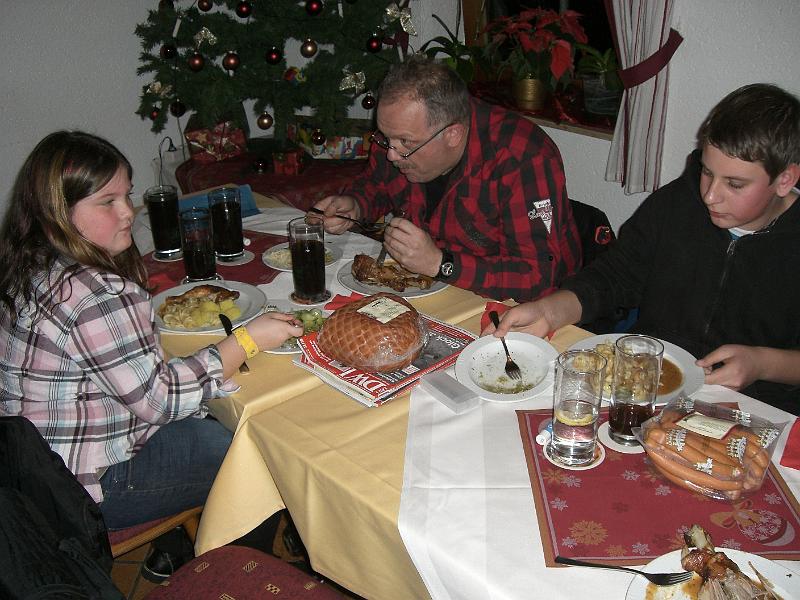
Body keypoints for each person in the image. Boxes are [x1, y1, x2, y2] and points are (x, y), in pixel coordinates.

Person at [0, 130, 304, 579]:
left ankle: (175, 547)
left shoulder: (29, 262)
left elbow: (131, 378)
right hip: (87, 488)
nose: (128, 211)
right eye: (108, 202)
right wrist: (245, 340)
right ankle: (240, 574)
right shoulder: (93, 294)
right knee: (251, 452)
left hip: (32, 471)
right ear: (57, 211)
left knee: (210, 418)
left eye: (127, 194)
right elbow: (159, 400)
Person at [490, 83, 800, 415]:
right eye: (707, 172)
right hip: (645, 389)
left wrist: (762, 363)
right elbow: (615, 276)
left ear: (784, 180)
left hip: (758, 406)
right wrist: (549, 312)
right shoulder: (677, 202)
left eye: (735, 184)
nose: (710, 195)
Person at [311, 54, 581, 303]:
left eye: (405, 142)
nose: (391, 154)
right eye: (386, 138)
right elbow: (377, 184)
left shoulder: (522, 156)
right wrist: (356, 204)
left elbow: (536, 277)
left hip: (515, 308)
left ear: (452, 135)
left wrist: (440, 264)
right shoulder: (399, 136)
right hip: (432, 293)